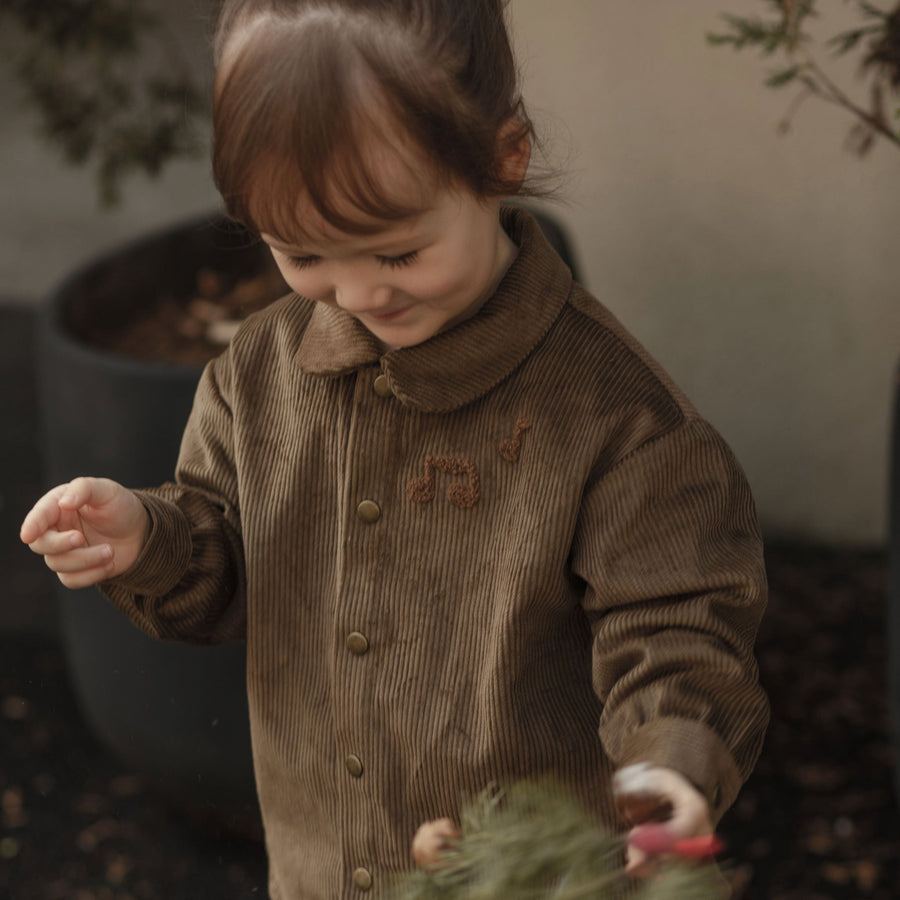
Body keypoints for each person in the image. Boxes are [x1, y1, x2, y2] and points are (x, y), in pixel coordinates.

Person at [21, 0, 769, 896]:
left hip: (530, 880)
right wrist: (148, 538)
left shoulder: (620, 422)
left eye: (400, 254)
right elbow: (228, 563)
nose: (357, 292)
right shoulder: (257, 373)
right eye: (303, 256)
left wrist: (668, 767)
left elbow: (678, 628)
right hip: (321, 871)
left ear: (504, 157)